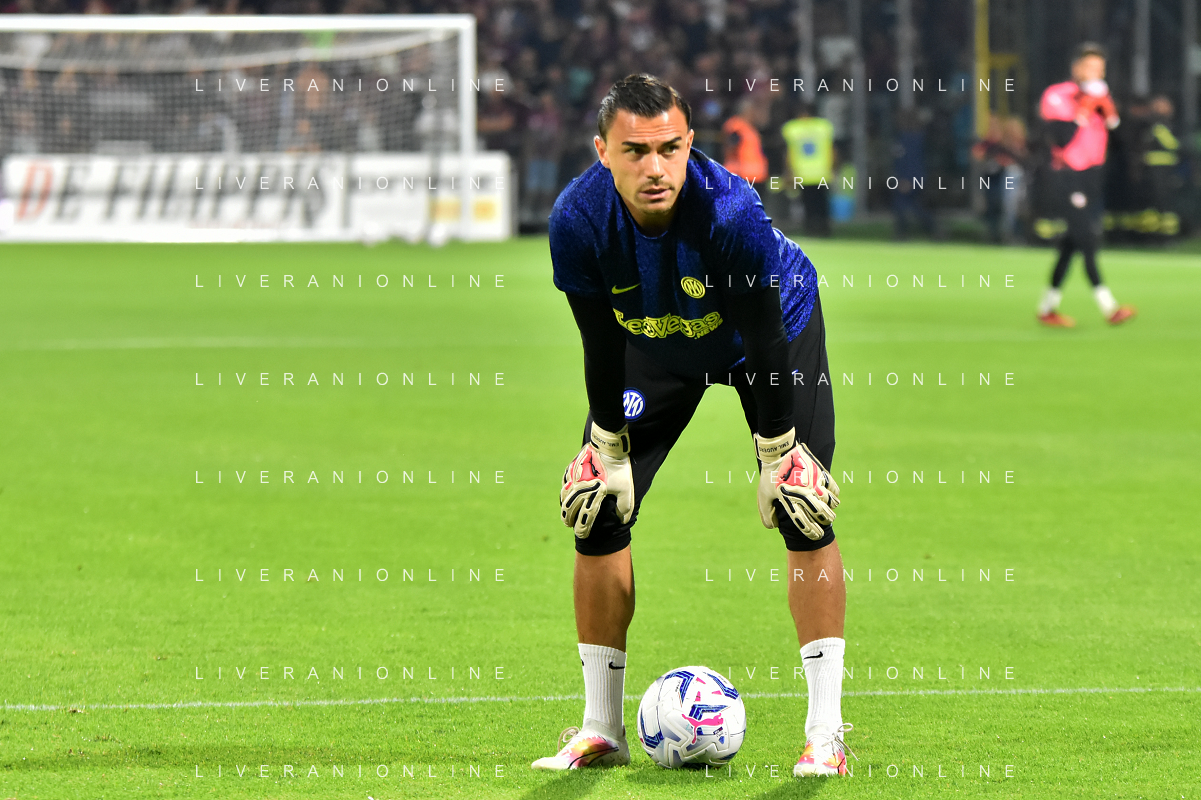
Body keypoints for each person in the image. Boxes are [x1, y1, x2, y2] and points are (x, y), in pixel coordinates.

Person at [532, 74, 853, 778]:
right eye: (635, 151)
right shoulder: (577, 219)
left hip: (767, 337)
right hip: (655, 339)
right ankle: (600, 729)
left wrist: (778, 454)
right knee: (595, 507)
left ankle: (825, 736)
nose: (655, 167)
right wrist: (606, 446)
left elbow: (764, 338)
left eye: (669, 148)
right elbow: (599, 341)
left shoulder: (729, 213)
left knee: (803, 506)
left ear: (689, 144)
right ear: (602, 152)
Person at [1036, 43, 1136, 327]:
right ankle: (1109, 307)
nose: (1095, 74)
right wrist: (1083, 110)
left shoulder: (1101, 98)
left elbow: (1120, 144)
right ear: (1077, 68)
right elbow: (1061, 139)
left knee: (1071, 244)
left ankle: (1047, 308)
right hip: (1068, 176)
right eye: (1090, 68)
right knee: (1087, 239)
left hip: (1092, 177)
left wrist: (1111, 115)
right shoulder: (1058, 95)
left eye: (1100, 69)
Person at [781, 103, 834, 237]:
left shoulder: (792, 128)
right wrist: (833, 167)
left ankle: (811, 229)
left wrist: (788, 171)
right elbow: (832, 149)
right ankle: (824, 229)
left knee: (808, 203)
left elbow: (787, 152)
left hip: (803, 172)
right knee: (822, 203)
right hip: (821, 172)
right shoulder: (823, 127)